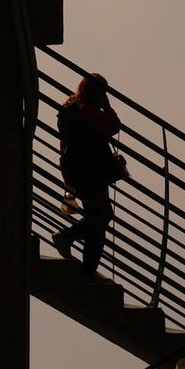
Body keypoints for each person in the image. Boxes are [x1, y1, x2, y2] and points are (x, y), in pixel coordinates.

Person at [51, 74, 125, 281]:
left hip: (77, 169)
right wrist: (107, 107)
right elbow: (113, 126)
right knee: (99, 218)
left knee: (101, 216)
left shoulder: (71, 108)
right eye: (103, 91)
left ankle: (80, 257)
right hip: (91, 171)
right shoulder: (89, 111)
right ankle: (82, 261)